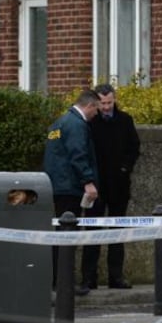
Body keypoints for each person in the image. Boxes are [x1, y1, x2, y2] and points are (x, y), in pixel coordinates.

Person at [81, 84, 141, 290]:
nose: (106, 107)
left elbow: (134, 148)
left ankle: (116, 277)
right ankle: (89, 277)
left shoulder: (125, 120)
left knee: (118, 232)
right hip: (97, 186)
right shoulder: (91, 122)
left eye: (109, 102)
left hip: (119, 185)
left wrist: (125, 168)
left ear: (114, 100)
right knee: (92, 232)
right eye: (103, 103)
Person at [43, 89, 101, 296]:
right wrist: (88, 181)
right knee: (68, 236)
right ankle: (64, 282)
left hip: (57, 186)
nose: (97, 114)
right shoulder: (77, 124)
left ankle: (57, 280)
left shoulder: (58, 123)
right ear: (89, 106)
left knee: (59, 236)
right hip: (70, 188)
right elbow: (79, 155)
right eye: (97, 109)